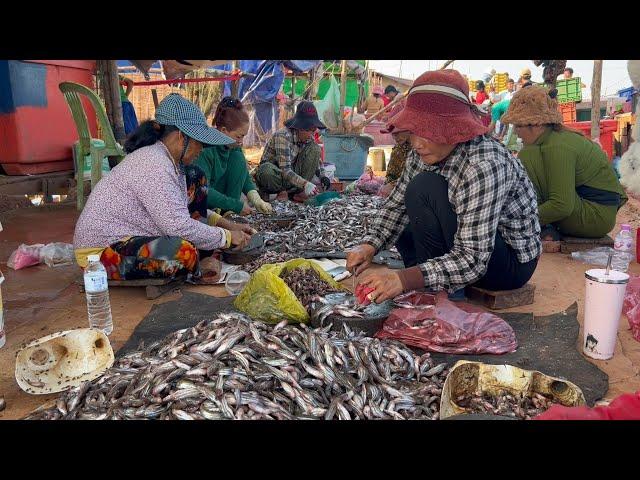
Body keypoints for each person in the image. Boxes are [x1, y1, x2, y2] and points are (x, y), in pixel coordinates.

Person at [346, 69, 541, 304]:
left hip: (506, 264)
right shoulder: (421, 153)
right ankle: (432, 280)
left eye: (427, 132)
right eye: (414, 131)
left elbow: (473, 258)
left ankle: (442, 291)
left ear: (452, 129)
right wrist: (370, 245)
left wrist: (403, 280)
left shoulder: (484, 164)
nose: (416, 143)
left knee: (425, 186)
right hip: (465, 246)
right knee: (407, 216)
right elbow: (395, 208)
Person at [73, 94, 253, 281]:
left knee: (196, 177)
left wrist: (226, 225)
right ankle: (200, 259)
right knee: (185, 253)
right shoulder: (155, 164)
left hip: (128, 238)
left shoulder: (171, 162)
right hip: (100, 253)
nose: (201, 150)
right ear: (181, 137)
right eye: (199, 143)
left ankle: (204, 254)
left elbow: (182, 208)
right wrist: (227, 237)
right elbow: (178, 226)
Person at [501, 86, 627, 240]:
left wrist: (517, 221)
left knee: (527, 155)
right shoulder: (555, 138)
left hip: (595, 217)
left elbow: (561, 205)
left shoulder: (557, 146)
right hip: (593, 210)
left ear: (538, 124)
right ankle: (540, 223)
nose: (515, 132)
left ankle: (539, 224)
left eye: (518, 125)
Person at [194, 97, 273, 216]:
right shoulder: (205, 150)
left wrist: (256, 199)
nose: (241, 141)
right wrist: (236, 205)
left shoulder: (233, 147)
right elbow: (203, 190)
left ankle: (227, 213)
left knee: (238, 158)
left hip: (225, 204)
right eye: (239, 136)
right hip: (203, 205)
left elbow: (244, 175)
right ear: (224, 130)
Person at [255, 101, 331, 202]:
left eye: (314, 130)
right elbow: (285, 170)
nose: (312, 134)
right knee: (266, 170)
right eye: (310, 130)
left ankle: (298, 192)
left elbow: (317, 162)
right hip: (275, 175)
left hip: (291, 177)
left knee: (315, 149)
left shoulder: (308, 138)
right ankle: (281, 192)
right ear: (300, 127)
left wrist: (323, 177)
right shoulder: (283, 136)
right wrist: (305, 184)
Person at [378, 118, 412, 198]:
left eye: (397, 133)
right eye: (392, 134)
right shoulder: (398, 149)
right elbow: (391, 175)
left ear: (409, 129)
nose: (395, 137)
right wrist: (387, 185)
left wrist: (393, 184)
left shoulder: (419, 149)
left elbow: (415, 177)